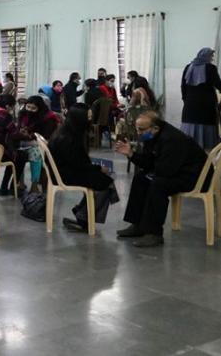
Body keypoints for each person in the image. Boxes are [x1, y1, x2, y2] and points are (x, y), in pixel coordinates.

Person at [115, 111, 208, 247]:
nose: (138, 133)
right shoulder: (151, 136)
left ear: (155, 128)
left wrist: (151, 171)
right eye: (137, 129)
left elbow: (165, 170)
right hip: (175, 171)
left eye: (141, 129)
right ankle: (138, 225)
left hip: (194, 177)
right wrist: (131, 154)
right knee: (140, 178)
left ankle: (154, 233)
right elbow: (149, 164)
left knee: (157, 184)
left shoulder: (171, 139)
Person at [48, 103, 120, 232]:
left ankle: (82, 212)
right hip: (65, 174)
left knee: (105, 178)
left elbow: (78, 160)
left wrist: (96, 167)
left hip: (66, 170)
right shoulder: (68, 138)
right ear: (80, 118)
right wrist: (98, 168)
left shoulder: (69, 131)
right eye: (88, 117)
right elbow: (77, 164)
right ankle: (83, 216)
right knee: (106, 182)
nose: (91, 119)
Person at [15, 95, 60, 192]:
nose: (30, 110)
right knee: (18, 154)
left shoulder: (48, 118)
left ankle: (34, 184)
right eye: (28, 107)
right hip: (24, 142)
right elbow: (18, 128)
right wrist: (22, 132)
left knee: (35, 153)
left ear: (40, 108)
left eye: (33, 108)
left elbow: (46, 135)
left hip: (42, 143)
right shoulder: (23, 114)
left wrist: (30, 135)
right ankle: (20, 183)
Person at [181, 48, 221, 149]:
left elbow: (183, 87)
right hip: (206, 106)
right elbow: (218, 84)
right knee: (207, 145)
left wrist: (186, 100)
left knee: (188, 143)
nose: (211, 58)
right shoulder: (211, 68)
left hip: (190, 105)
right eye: (211, 56)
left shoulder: (188, 67)